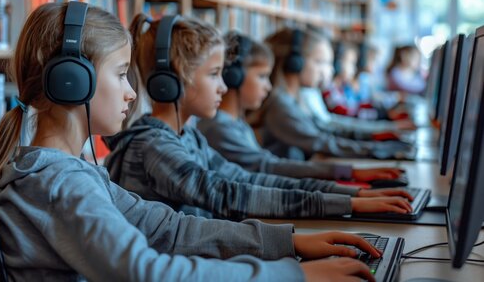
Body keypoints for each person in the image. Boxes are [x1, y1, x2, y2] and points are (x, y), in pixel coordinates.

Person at [0, 2, 381, 281]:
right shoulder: (62, 184)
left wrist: (287, 243)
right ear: (72, 83)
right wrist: (294, 276)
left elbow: (168, 228)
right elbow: (145, 270)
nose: (134, 93)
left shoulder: (67, 171)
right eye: (120, 75)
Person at [104, 14, 413, 224]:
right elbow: (229, 194)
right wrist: (347, 203)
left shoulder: (187, 136)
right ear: (169, 81)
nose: (224, 86)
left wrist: (351, 194)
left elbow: (245, 178)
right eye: (214, 75)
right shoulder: (155, 147)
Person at [197, 31, 405, 183]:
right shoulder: (224, 126)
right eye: (320, 62)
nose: (329, 70)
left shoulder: (238, 123)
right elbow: (267, 168)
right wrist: (349, 174)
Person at [260, 27, 416, 162]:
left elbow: (327, 128)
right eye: (320, 62)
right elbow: (322, 141)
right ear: (296, 63)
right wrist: (379, 148)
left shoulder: (296, 99)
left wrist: (384, 134)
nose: (330, 70)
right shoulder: (281, 105)